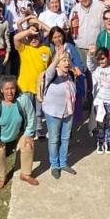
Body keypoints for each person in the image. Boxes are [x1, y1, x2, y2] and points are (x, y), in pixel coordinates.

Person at [0, 75, 38, 189]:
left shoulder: (23, 99)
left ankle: (25, 174)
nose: (10, 92)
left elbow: (31, 116)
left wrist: (29, 133)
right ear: (2, 90)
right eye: (7, 89)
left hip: (19, 132)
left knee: (28, 145)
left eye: (12, 88)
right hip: (0, 136)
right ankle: (2, 177)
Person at [41, 50, 77, 178]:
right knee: (54, 139)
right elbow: (49, 70)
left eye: (68, 60)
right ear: (57, 63)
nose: (67, 63)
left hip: (68, 112)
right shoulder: (52, 75)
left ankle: (63, 163)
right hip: (53, 113)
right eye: (63, 60)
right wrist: (56, 58)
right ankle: (55, 165)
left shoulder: (70, 75)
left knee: (65, 138)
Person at [87, 46, 110, 154]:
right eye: (98, 59)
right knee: (100, 124)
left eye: (103, 58)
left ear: (108, 58)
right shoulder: (96, 69)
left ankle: (108, 142)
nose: (101, 61)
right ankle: (100, 141)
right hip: (100, 102)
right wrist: (90, 54)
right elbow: (90, 64)